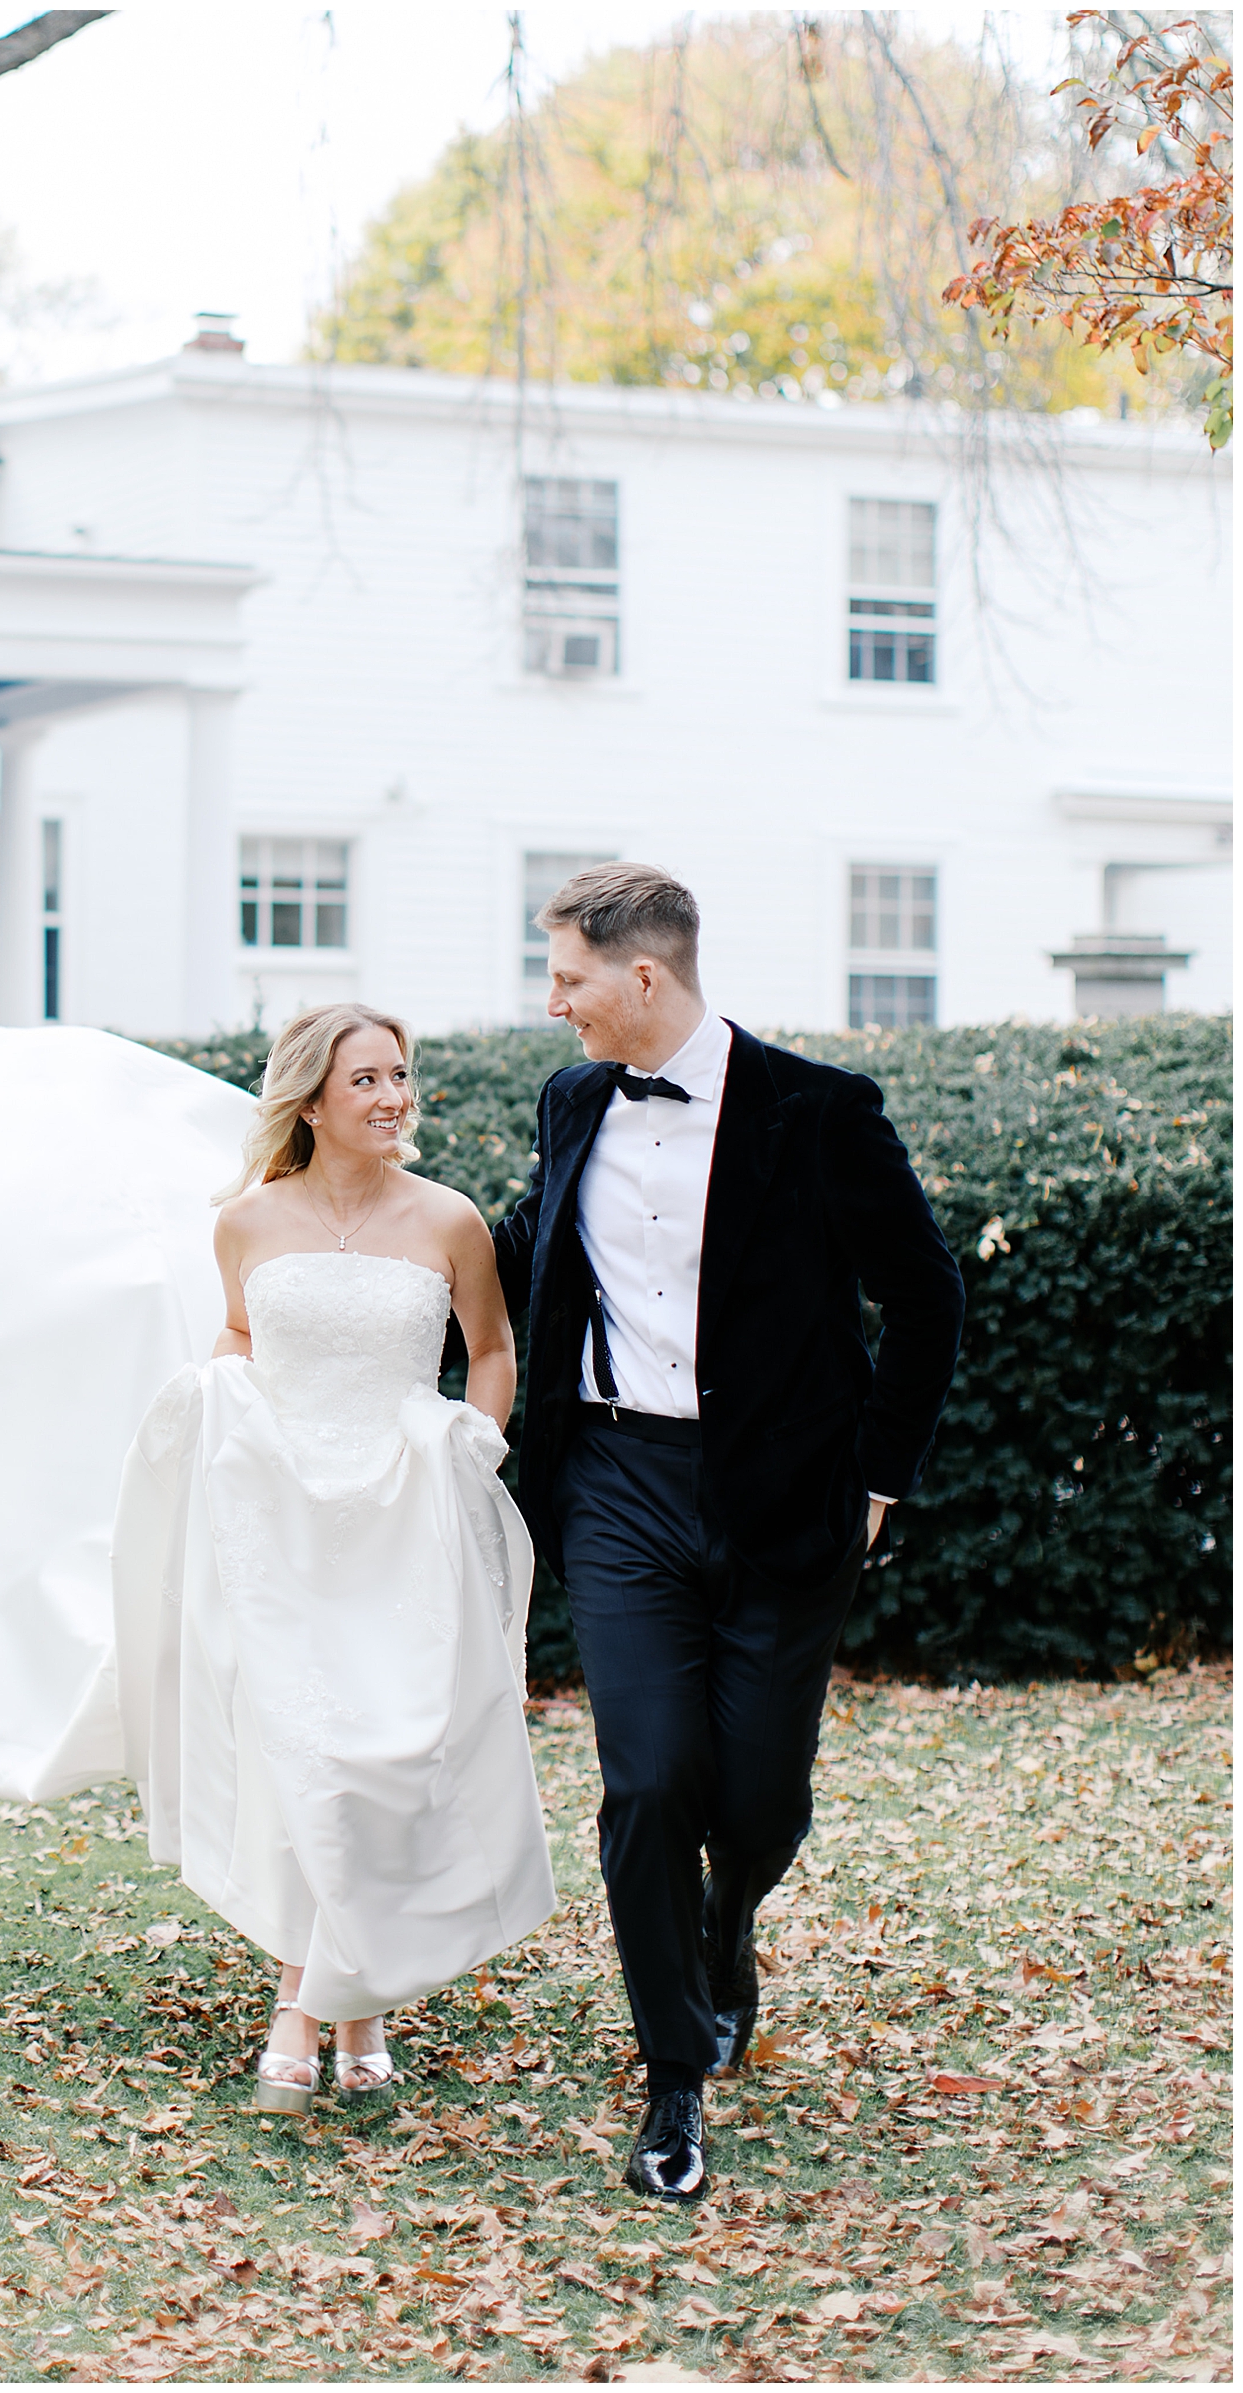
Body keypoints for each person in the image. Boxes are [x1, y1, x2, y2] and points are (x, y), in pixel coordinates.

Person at [487, 863, 964, 2201]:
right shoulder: (573, 1098)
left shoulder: (821, 1113)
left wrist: (880, 1479)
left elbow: (926, 1298)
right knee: (645, 1781)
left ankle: (727, 1914)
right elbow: (536, 1247)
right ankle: (673, 2076)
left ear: (642, 977)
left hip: (786, 1502)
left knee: (758, 1798)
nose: (554, 1001)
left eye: (569, 975)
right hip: (617, 1490)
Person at [112, 1002, 556, 2112]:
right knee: (303, 1753)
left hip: (407, 1515)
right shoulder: (248, 1223)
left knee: (384, 1754)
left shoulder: (451, 1218)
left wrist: (475, 1449)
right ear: (312, 1099)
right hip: (283, 1520)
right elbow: (242, 1339)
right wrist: (215, 1410)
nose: (393, 1096)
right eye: (367, 1079)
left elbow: (492, 1349)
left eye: (400, 1074)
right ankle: (318, 2005)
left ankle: (335, 2003)